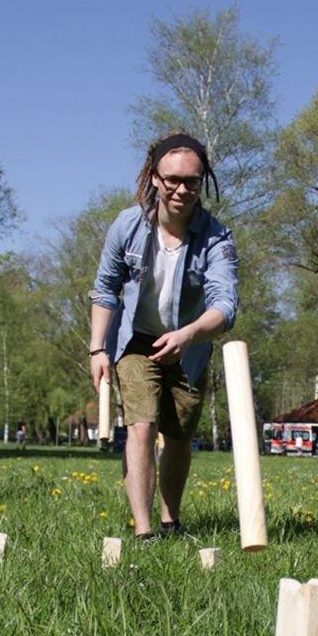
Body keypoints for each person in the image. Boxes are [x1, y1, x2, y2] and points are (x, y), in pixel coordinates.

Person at [89, 133, 238, 539]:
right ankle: (143, 529)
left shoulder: (216, 238)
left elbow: (225, 307)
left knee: (177, 436)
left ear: (201, 181)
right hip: (135, 341)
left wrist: (188, 335)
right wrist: (98, 348)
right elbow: (105, 289)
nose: (181, 189)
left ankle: (171, 519)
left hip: (189, 348)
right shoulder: (128, 226)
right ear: (154, 177)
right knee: (141, 425)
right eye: (172, 179)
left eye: (191, 180)